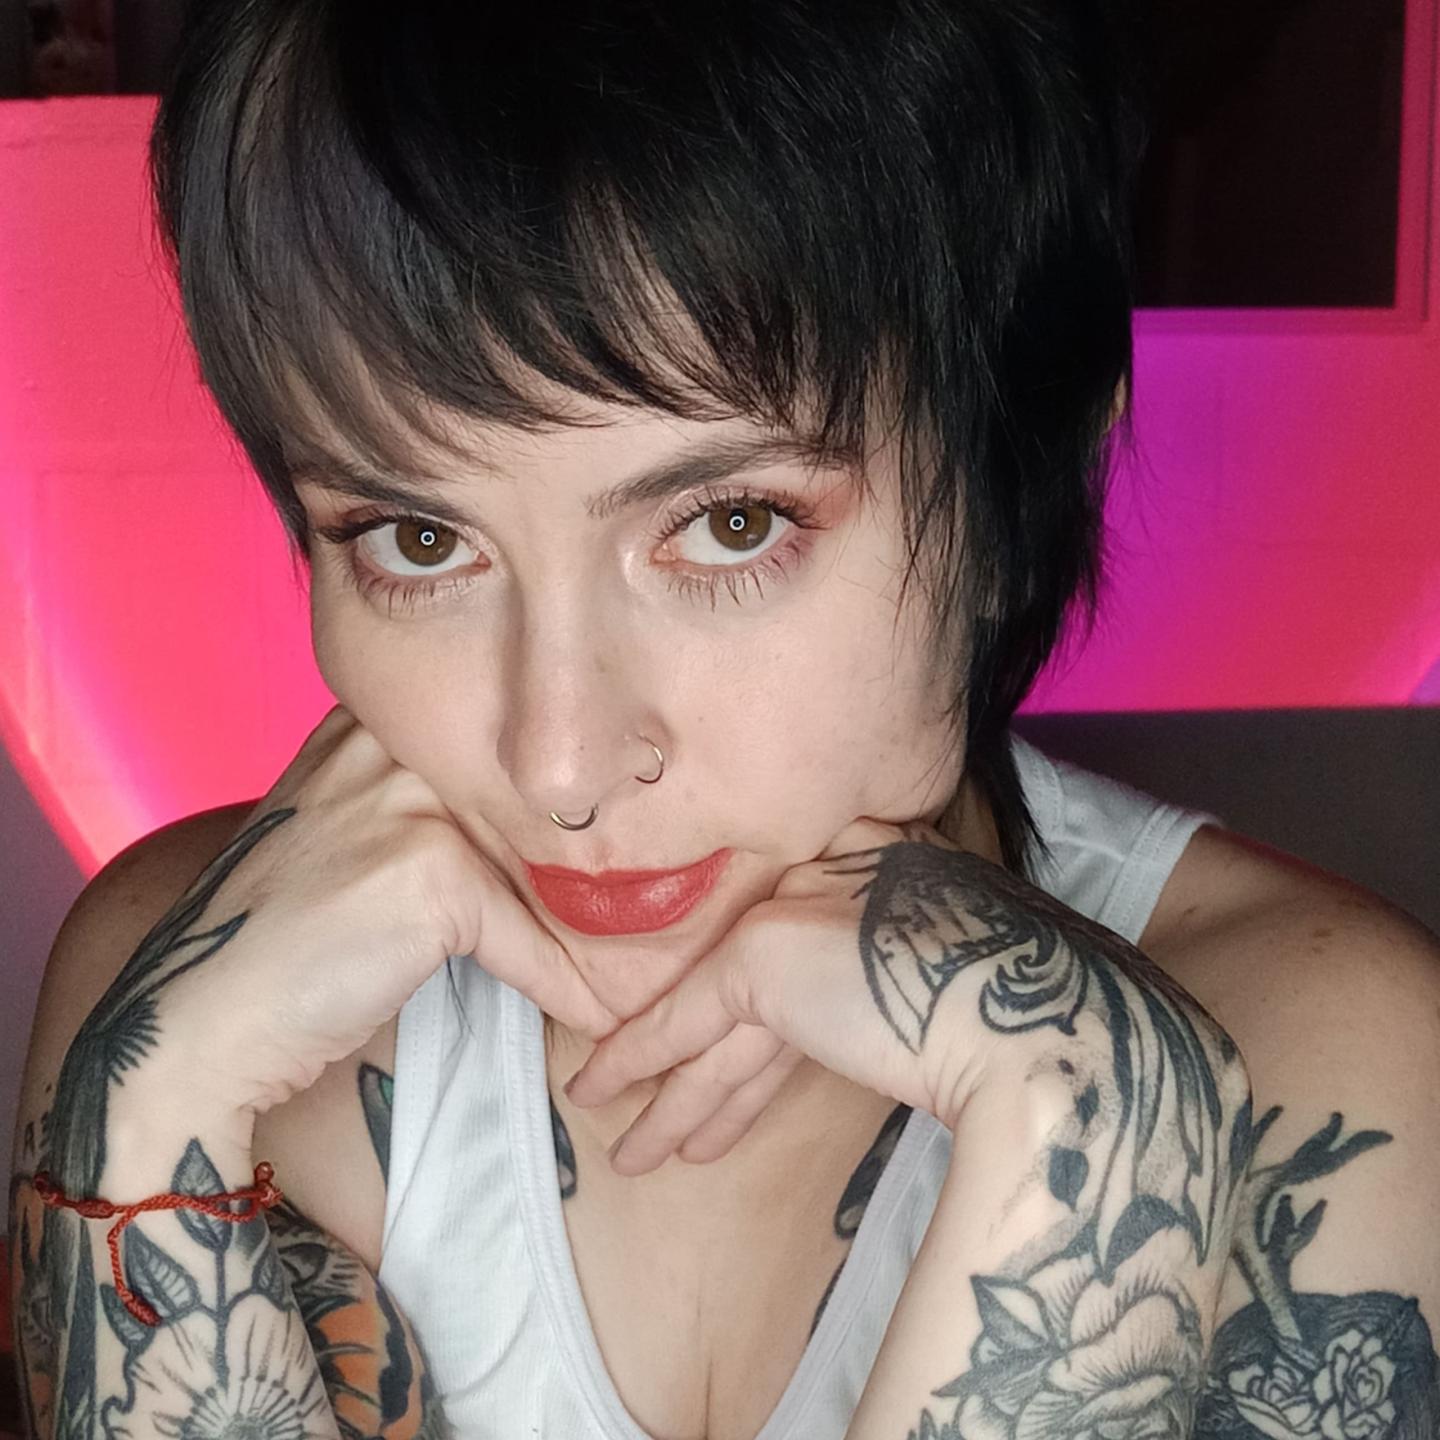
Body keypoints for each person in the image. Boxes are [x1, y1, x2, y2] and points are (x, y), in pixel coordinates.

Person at [8, 2, 1438, 1437]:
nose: (560, 764)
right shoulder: (197, 1016)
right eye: (419, 540)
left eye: (730, 523)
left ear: (1023, 475)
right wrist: (146, 1113)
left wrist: (1095, 1105)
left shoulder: (1326, 1061)